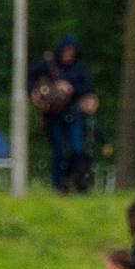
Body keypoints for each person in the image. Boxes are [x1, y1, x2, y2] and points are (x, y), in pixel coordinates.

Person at [28, 37, 94, 194]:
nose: (69, 55)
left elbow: (88, 87)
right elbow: (29, 75)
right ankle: (57, 187)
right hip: (53, 114)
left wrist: (70, 88)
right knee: (58, 151)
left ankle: (67, 177)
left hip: (73, 113)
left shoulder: (79, 68)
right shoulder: (50, 64)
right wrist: (37, 91)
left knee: (77, 149)